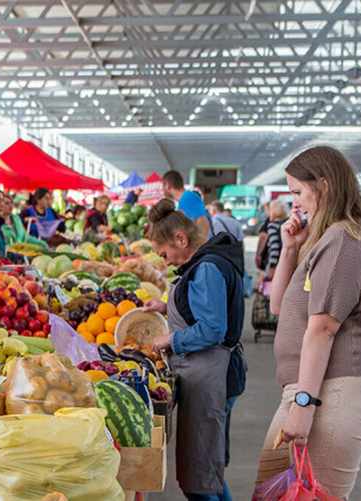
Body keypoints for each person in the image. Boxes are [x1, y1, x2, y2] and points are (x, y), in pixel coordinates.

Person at [263, 146, 361, 498]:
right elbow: (278, 306)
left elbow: (323, 329)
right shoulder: (325, 239)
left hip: (335, 390)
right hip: (317, 390)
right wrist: (290, 249)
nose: (295, 204)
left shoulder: (343, 241)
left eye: (298, 192)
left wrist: (303, 406)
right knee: (273, 491)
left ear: (324, 185)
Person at [143, 199, 245, 501]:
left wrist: (170, 340)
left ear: (180, 239)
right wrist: (166, 307)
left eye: (165, 254)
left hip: (211, 377)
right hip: (205, 376)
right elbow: (202, 307)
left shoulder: (207, 268)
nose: (165, 262)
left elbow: (213, 328)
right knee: (207, 471)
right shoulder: (204, 263)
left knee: (200, 478)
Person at [163, 170, 212, 238]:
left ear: (168, 185)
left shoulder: (187, 198)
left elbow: (202, 224)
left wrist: (198, 244)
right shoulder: (184, 199)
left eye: (163, 185)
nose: (162, 189)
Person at [263, 200, 287, 281]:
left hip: (276, 263)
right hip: (286, 259)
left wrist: (272, 266)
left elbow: (274, 247)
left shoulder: (273, 225)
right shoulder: (286, 223)